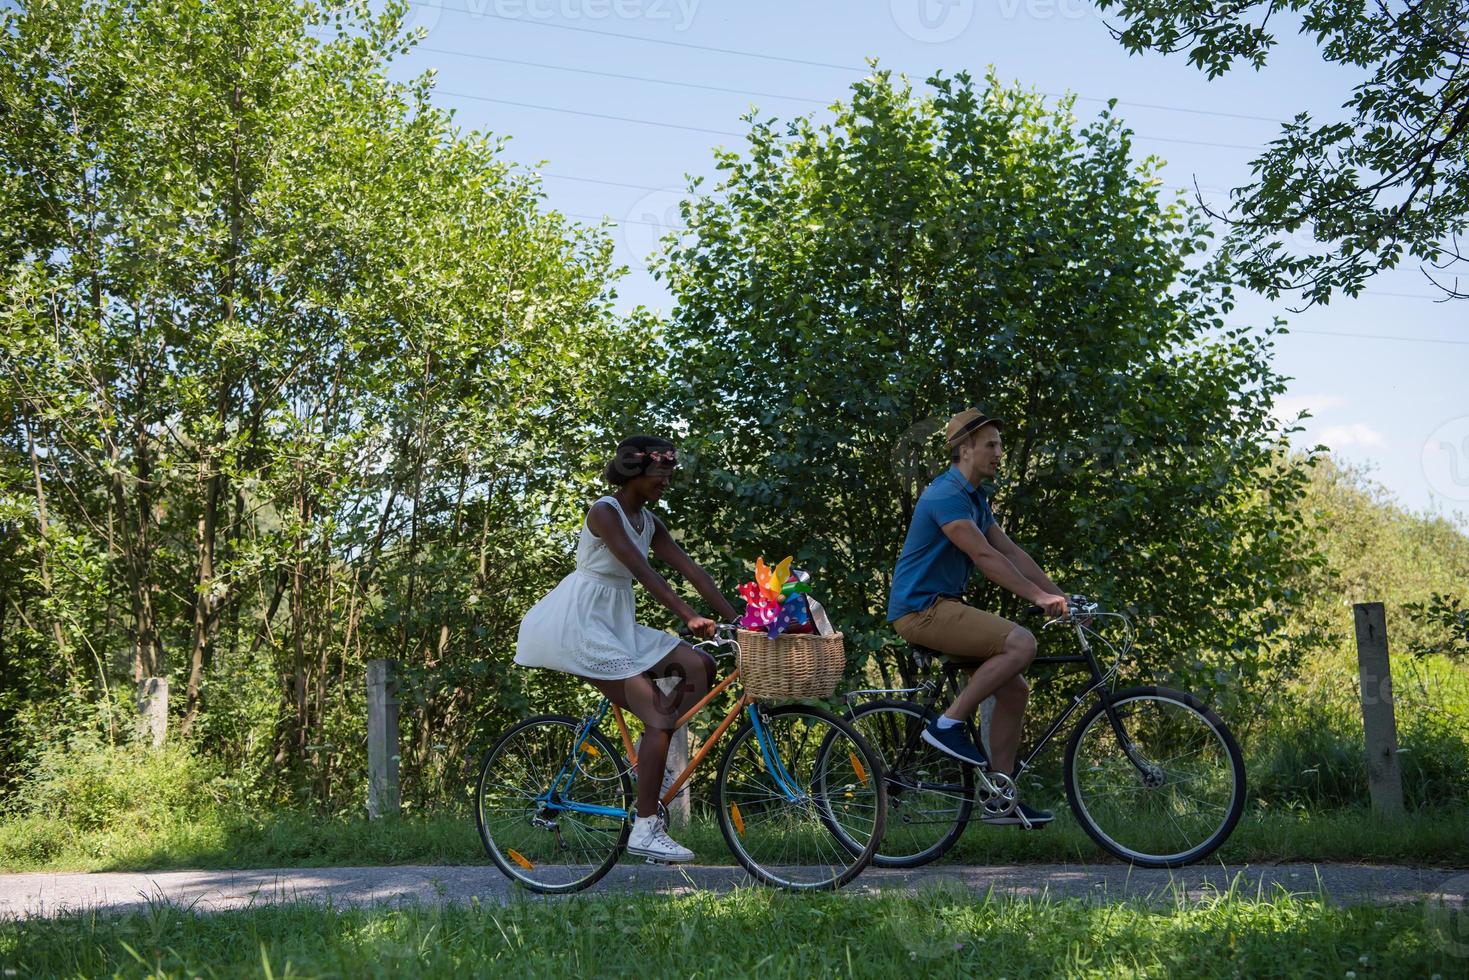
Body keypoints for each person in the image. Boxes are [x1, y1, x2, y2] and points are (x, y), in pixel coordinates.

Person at [515, 435, 738, 861]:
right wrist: (688, 616)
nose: (665, 483)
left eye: (669, 475)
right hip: (581, 625)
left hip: (618, 625)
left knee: (700, 666)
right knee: (658, 712)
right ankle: (644, 827)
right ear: (635, 474)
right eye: (660, 474)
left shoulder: (650, 522)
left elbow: (691, 569)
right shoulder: (605, 512)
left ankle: (651, 752)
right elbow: (643, 572)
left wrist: (738, 621)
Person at [887, 410, 1069, 826]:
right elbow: (984, 557)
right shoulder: (945, 495)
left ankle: (999, 799)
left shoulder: (974, 498)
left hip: (942, 607)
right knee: (1021, 642)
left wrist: (1058, 594)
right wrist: (1038, 597)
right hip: (921, 610)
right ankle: (947, 724)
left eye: (1001, 445)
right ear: (964, 448)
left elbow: (1010, 552)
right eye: (991, 444)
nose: (999, 453)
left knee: (1014, 691)